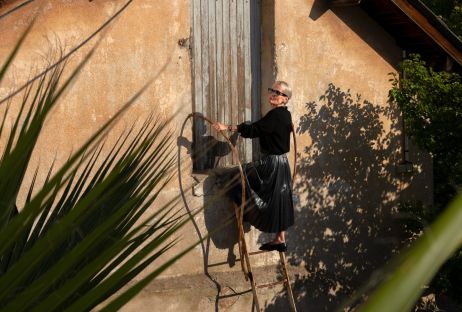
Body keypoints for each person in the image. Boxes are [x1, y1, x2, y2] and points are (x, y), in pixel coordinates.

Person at [213, 81, 295, 252]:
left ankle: (245, 210)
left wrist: (226, 127)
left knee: (236, 176)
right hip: (282, 163)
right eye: (271, 90)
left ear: (285, 98)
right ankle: (280, 239)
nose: (272, 93)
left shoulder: (276, 116)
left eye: (277, 92)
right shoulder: (285, 115)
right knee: (279, 199)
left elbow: (255, 129)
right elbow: (261, 128)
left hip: (272, 165)